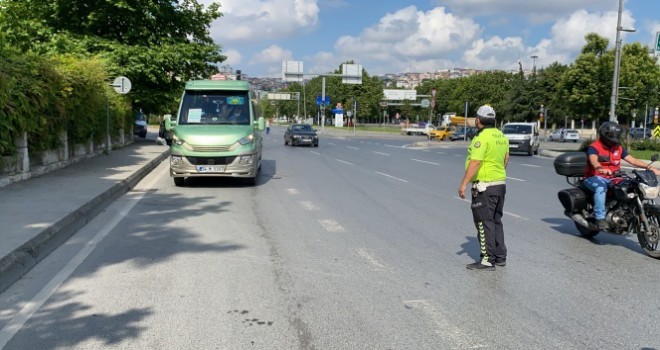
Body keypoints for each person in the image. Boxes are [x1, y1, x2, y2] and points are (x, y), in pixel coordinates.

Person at [458, 105, 509, 271]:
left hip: (484, 187)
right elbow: (506, 159)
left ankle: (487, 260)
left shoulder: (481, 138)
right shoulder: (501, 136)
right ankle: (500, 256)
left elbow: (476, 162)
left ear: (478, 120)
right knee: (496, 220)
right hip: (500, 185)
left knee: (483, 221)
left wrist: (464, 183)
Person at [583, 122, 660, 230]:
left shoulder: (618, 148)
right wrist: (600, 168)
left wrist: (650, 167)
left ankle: (626, 211)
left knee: (633, 186)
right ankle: (600, 218)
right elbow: (593, 160)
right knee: (600, 188)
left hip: (614, 177)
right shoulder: (595, 147)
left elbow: (632, 160)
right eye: (613, 135)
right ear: (606, 135)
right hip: (595, 177)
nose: (615, 137)